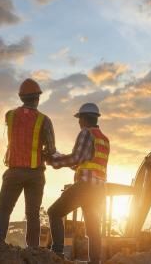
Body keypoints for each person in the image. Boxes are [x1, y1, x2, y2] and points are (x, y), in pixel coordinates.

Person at [0, 78, 56, 247]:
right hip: (35, 173)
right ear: (38, 98)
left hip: (14, 171)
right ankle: (33, 249)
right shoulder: (44, 120)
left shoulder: (10, 115)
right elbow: (50, 150)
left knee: (4, 209)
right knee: (33, 213)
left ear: (21, 97)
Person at [47, 103, 109, 264]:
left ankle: (57, 253)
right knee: (93, 227)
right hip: (99, 189)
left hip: (85, 187)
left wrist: (54, 160)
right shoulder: (103, 139)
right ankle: (95, 261)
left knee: (54, 212)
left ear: (83, 119)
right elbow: (82, 163)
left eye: (79, 119)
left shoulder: (86, 133)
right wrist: (60, 157)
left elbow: (75, 158)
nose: (79, 123)